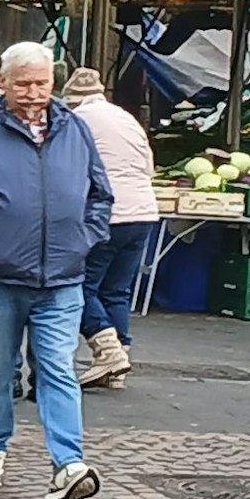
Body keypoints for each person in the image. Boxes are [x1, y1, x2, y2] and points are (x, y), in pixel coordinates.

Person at [0, 42, 113, 499]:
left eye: (42, 83)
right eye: (23, 83)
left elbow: (100, 194)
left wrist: (84, 238)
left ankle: (68, 464)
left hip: (62, 277)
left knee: (58, 370)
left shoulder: (75, 129)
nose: (34, 93)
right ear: (3, 83)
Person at [62, 67, 158, 389]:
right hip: (143, 212)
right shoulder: (126, 118)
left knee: (77, 286)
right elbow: (149, 167)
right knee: (117, 290)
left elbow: (67, 169)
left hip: (107, 215)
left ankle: (108, 353)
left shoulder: (77, 120)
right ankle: (119, 365)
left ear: (72, 100)